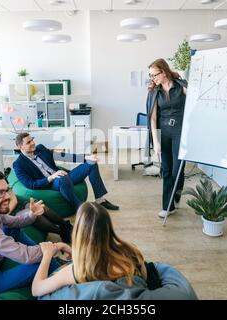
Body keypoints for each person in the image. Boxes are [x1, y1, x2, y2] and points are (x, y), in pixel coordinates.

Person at [31, 202, 164, 297]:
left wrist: (47, 255)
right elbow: (145, 279)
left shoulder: (78, 271)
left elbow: (36, 289)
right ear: (108, 226)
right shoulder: (131, 251)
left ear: (78, 233)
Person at [13, 133, 119, 211]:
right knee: (62, 179)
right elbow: (31, 184)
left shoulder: (40, 148)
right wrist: (52, 177)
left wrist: (87, 157)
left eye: (32, 140)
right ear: (20, 146)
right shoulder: (18, 164)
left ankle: (100, 200)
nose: (33, 143)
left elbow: (62, 156)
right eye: (28, 142)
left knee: (92, 163)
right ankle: (80, 209)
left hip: (64, 176)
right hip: (50, 183)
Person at [147, 58, 188, 218]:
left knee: (178, 170)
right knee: (166, 171)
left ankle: (177, 193)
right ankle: (167, 206)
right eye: (150, 76)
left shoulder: (181, 87)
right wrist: (156, 141)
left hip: (180, 132)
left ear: (164, 72)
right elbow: (153, 118)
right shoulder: (154, 92)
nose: (152, 78)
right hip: (164, 134)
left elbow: (195, 103)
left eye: (154, 75)